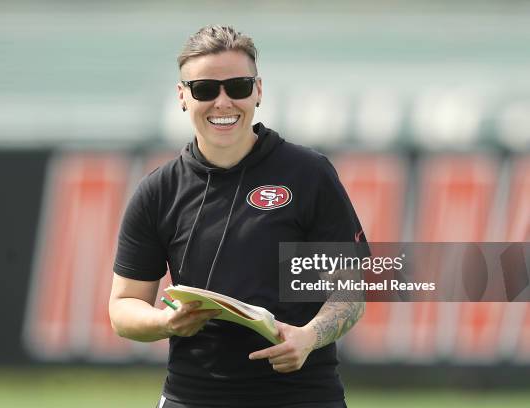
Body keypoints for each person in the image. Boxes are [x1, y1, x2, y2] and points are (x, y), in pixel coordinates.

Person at [109, 25, 367, 408]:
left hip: (302, 396)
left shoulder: (308, 173)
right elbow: (123, 307)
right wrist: (164, 323)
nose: (223, 102)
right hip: (192, 396)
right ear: (183, 96)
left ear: (258, 91)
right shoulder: (158, 191)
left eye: (238, 87)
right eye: (205, 90)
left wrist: (309, 337)